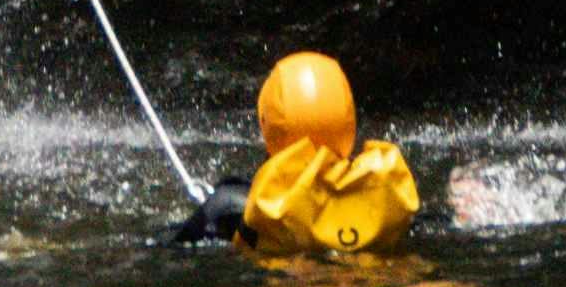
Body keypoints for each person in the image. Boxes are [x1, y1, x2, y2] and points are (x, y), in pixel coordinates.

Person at [164, 48, 420, 251]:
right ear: (349, 118)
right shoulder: (389, 197)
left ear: (268, 124)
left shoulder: (234, 205)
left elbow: (168, 248)